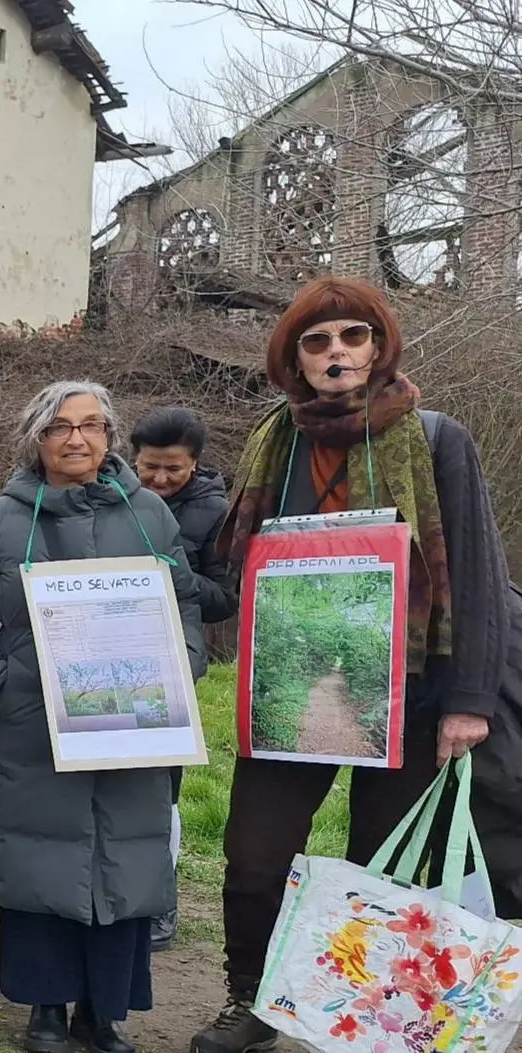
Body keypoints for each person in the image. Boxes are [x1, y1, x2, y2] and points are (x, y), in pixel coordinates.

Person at [189, 276, 510, 1053]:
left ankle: (355, 1013)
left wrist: (469, 701)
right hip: (290, 689)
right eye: (317, 341)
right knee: (253, 858)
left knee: (378, 870)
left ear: (378, 346)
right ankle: (252, 1000)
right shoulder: (278, 440)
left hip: (409, 692)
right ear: (292, 359)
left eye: (352, 337)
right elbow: (234, 564)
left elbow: (473, 570)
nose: (337, 353)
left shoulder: (436, 437)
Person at [0, 380, 206, 1053]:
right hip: (31, 724)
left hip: (135, 721)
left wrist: (179, 665)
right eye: (60, 426)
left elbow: (182, 598)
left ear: (109, 435)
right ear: (36, 438)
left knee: (123, 859)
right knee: (39, 855)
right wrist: (0, 684)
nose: (77, 438)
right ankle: (44, 1006)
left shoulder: (149, 513)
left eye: (92, 425)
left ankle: (104, 1011)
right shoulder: (0, 521)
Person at [130, 406, 237, 952]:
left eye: (174, 469)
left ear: (195, 463)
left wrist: (176, 575)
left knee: (160, 787)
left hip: (172, 660)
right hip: (111, 652)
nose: (161, 480)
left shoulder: (218, 513)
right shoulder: (118, 499)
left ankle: (160, 901)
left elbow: (227, 598)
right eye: (150, 467)